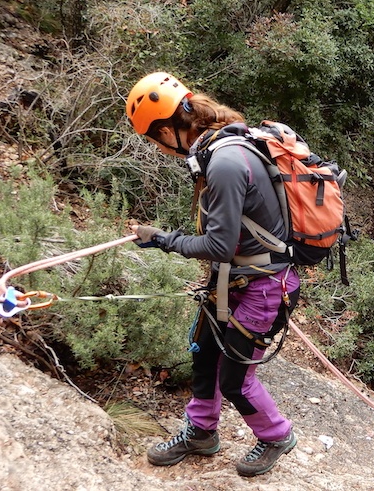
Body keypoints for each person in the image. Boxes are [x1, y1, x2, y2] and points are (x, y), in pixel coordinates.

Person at [125, 72, 298, 477]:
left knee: (236, 378)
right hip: (233, 279)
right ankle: (201, 433)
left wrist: (164, 240)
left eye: (154, 139)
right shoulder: (221, 147)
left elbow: (219, 244)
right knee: (204, 355)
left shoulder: (223, 161)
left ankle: (276, 435)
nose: (158, 148)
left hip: (263, 287)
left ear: (168, 128)